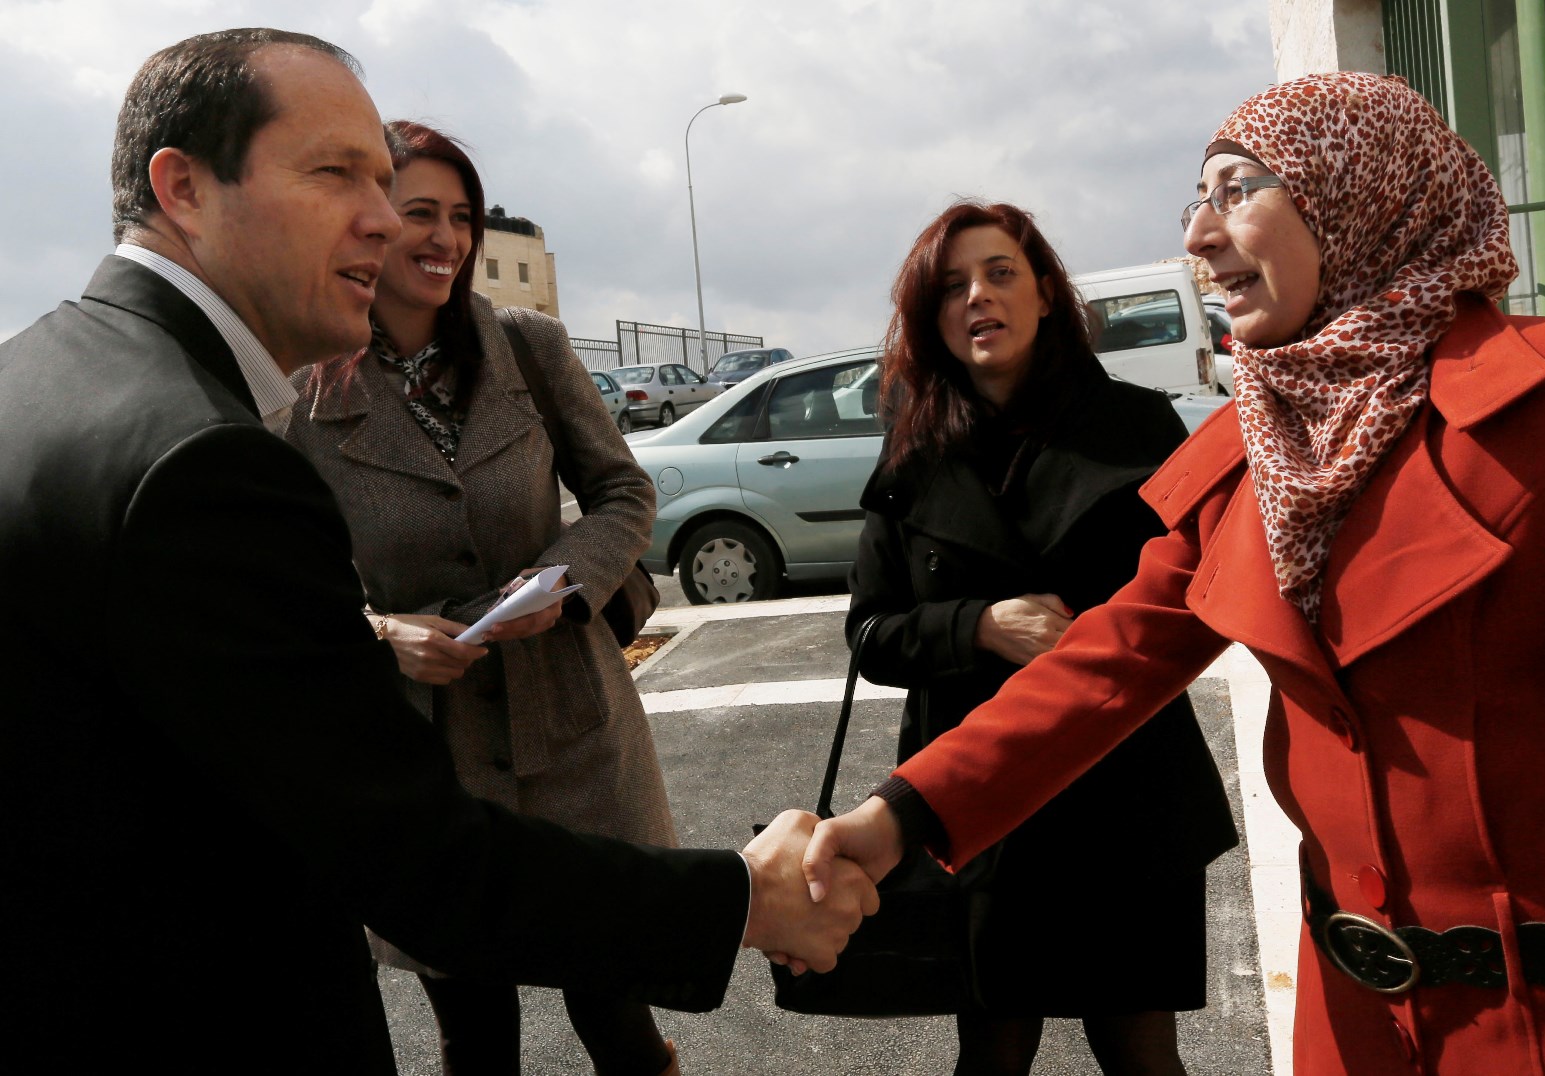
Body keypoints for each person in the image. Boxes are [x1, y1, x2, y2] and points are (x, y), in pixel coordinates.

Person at [0, 29, 875, 1074]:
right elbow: (415, 862)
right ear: (183, 186)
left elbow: (617, 490)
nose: (383, 215)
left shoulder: (45, 372)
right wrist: (743, 895)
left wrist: (568, 581)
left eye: (389, 179)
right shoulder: (205, 455)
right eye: (335, 173)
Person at [807, 71, 1545, 1076]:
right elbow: (1112, 655)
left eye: (1239, 189)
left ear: (1356, 191)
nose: (1197, 234)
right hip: (1353, 1023)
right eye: (1199, 197)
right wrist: (895, 820)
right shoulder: (1252, 452)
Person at [280, 119, 683, 1076]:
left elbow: (624, 490)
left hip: (576, 726)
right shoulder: (297, 384)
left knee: (617, 1018)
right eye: (419, 212)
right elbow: (286, 569)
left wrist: (570, 581)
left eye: (462, 217)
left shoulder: (528, 346)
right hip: (426, 751)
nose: (446, 240)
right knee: (476, 1040)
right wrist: (378, 632)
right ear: (367, 222)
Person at [844, 201, 1235, 1076]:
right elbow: (870, 634)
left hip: (1127, 792)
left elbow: (1189, 596)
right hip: (981, 805)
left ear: (1049, 294)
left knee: (1141, 1053)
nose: (977, 297)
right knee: (992, 1051)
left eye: (1000, 273)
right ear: (930, 319)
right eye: (951, 287)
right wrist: (976, 626)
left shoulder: (1136, 425)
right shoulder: (912, 457)